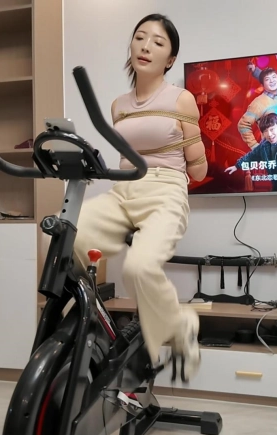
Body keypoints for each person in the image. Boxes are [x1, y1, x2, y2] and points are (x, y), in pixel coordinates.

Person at [72, 13, 207, 382]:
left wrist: (191, 149)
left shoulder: (181, 99)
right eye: (140, 37)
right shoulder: (119, 105)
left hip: (166, 190)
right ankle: (88, 322)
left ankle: (179, 325)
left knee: (138, 267)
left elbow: (198, 171)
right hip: (125, 189)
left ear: (170, 59)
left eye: (158, 42)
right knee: (68, 234)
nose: (146, 46)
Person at [225, 112, 277, 192]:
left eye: (272, 129)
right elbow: (252, 156)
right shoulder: (264, 144)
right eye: (265, 131)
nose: (269, 134)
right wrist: (237, 166)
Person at [237, 67, 277, 150]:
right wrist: (255, 146)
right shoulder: (258, 103)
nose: (272, 81)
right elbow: (243, 125)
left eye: (274, 77)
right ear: (262, 84)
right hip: (272, 149)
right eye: (267, 79)